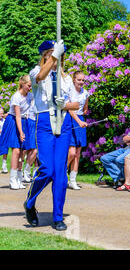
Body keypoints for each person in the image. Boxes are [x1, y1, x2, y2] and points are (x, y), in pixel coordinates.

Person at [24, 40, 80, 231]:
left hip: (63, 122)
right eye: (51, 53)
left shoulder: (66, 78)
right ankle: (30, 203)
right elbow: (40, 76)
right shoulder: (35, 71)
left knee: (60, 175)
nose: (56, 57)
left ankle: (57, 216)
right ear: (45, 55)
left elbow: (76, 105)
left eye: (58, 53)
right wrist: (53, 56)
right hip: (45, 121)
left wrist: (64, 104)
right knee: (47, 169)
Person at [100, 109, 130, 188]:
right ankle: (120, 178)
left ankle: (122, 180)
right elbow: (125, 138)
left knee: (119, 160)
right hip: (126, 148)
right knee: (105, 158)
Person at [0, 75, 34, 190]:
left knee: (22, 152)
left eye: (31, 86)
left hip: (24, 121)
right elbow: (18, 116)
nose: (30, 88)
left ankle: (19, 179)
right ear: (23, 84)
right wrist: (21, 132)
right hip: (13, 121)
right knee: (15, 150)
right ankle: (12, 180)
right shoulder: (16, 97)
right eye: (28, 86)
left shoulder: (30, 96)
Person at [67, 71, 89, 190]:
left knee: (78, 154)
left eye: (83, 80)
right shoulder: (70, 91)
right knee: (71, 152)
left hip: (80, 119)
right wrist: (78, 121)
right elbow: (70, 109)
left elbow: (85, 108)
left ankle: (73, 180)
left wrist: (82, 120)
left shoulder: (85, 93)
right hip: (70, 120)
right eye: (79, 80)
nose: (81, 82)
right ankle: (62, 173)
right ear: (74, 80)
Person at [22, 101, 38, 183]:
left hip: (40, 124)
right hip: (31, 122)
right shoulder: (31, 98)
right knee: (32, 150)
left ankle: (35, 173)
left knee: (37, 151)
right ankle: (25, 172)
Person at [0, 108, 8, 173]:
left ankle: (4, 166)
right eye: (0, 113)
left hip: (3, 138)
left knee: (5, 152)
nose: (2, 115)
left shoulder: (4, 120)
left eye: (2, 113)